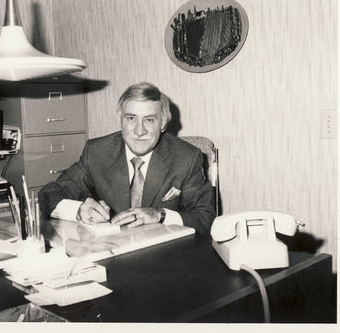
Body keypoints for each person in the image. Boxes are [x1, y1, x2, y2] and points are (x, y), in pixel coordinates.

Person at [38, 82, 216, 234]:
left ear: (162, 123)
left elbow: (205, 218)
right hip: (111, 253)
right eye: (131, 118)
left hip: (164, 257)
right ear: (120, 120)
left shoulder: (186, 157)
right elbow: (49, 194)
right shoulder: (97, 152)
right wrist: (77, 210)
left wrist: (160, 215)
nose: (139, 131)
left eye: (149, 120)